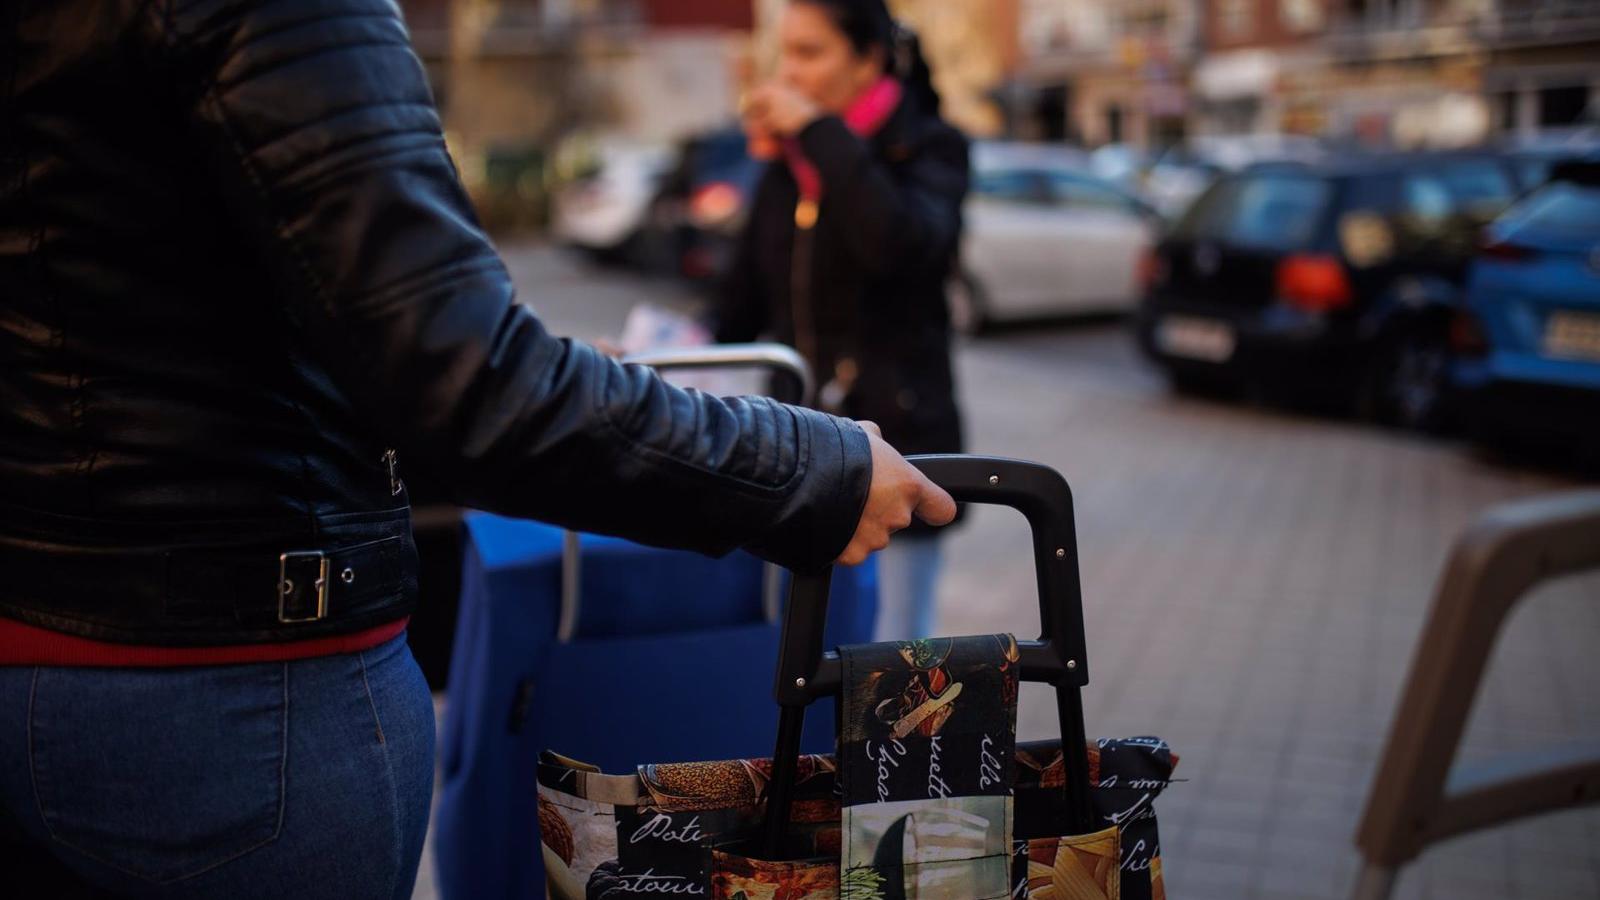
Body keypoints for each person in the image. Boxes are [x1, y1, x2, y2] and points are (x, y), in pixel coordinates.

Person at [0, 2, 955, 898]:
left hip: (63, 631)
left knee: (898, 686)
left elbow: (911, 249)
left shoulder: (916, 144)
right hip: (237, 688)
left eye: (810, 52)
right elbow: (458, 377)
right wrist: (805, 468)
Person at [717, 0, 969, 642]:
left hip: (901, 440)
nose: (790, 72)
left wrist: (821, 135)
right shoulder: (787, 166)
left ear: (869, 61)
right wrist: (654, 349)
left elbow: (901, 245)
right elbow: (738, 303)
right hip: (800, 443)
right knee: (800, 642)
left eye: (811, 52)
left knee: (894, 652)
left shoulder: (931, 146)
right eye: (785, 53)